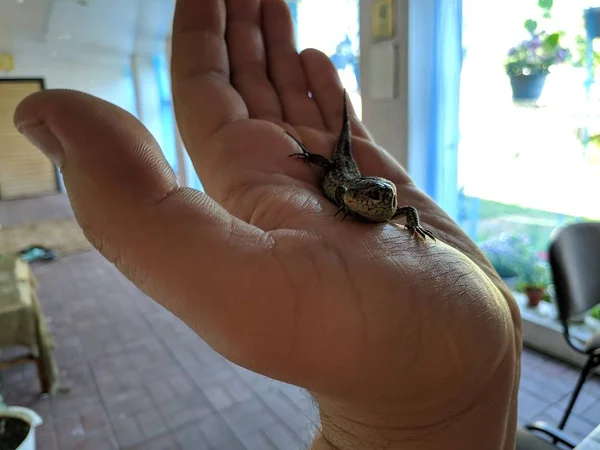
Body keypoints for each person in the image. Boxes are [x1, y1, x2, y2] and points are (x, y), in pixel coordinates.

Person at [13, 0, 521, 448]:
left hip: (355, 181)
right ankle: (318, 142)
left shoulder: (388, 207)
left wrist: (413, 233)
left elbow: (404, 211)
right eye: (367, 196)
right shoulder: (349, 187)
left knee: (340, 151)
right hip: (338, 168)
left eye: (376, 197)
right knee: (324, 156)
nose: (370, 202)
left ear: (382, 200)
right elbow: (342, 182)